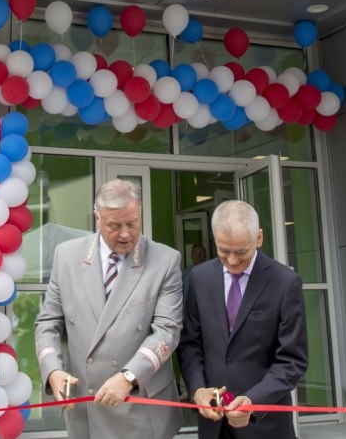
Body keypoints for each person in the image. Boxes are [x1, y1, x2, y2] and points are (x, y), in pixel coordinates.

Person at [35, 179, 184, 439]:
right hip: (86, 406)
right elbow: (48, 322)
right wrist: (53, 370)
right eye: (114, 225)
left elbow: (167, 332)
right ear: (97, 218)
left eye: (133, 223)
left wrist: (129, 377)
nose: (126, 234)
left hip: (139, 408)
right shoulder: (66, 256)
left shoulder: (165, 260)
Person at [178, 200, 307, 439]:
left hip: (265, 425)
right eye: (223, 251)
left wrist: (254, 401)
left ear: (258, 238)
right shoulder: (199, 278)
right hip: (213, 426)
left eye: (241, 252)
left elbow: (292, 360)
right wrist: (197, 391)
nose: (233, 260)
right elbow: (190, 345)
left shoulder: (285, 282)